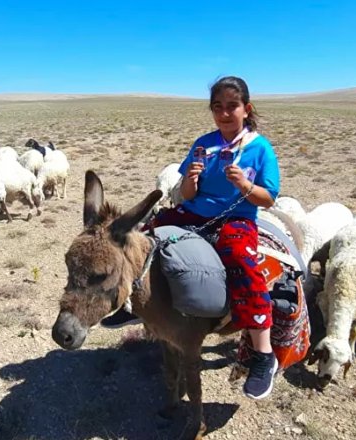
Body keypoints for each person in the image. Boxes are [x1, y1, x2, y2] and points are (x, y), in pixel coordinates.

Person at [102, 76, 281, 400]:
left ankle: (263, 353)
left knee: (242, 260)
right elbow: (184, 194)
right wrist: (192, 180)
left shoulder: (260, 149)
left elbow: (268, 198)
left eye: (232, 106)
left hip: (237, 218)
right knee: (144, 236)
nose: (224, 114)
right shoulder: (204, 144)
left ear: (246, 108)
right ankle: (133, 303)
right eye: (217, 107)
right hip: (194, 213)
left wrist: (243, 185)